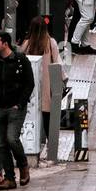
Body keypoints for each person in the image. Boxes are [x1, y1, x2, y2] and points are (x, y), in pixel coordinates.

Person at [0, 32, 35, 190]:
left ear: (5, 44)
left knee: (12, 138)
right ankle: (9, 177)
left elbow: (29, 84)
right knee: (1, 144)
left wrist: (19, 104)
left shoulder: (20, 60)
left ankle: (23, 166)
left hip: (15, 108)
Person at [21, 16, 61, 150]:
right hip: (47, 84)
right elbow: (57, 63)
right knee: (47, 116)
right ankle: (51, 146)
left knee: (31, 115)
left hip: (30, 84)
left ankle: (30, 145)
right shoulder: (51, 43)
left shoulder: (27, 44)